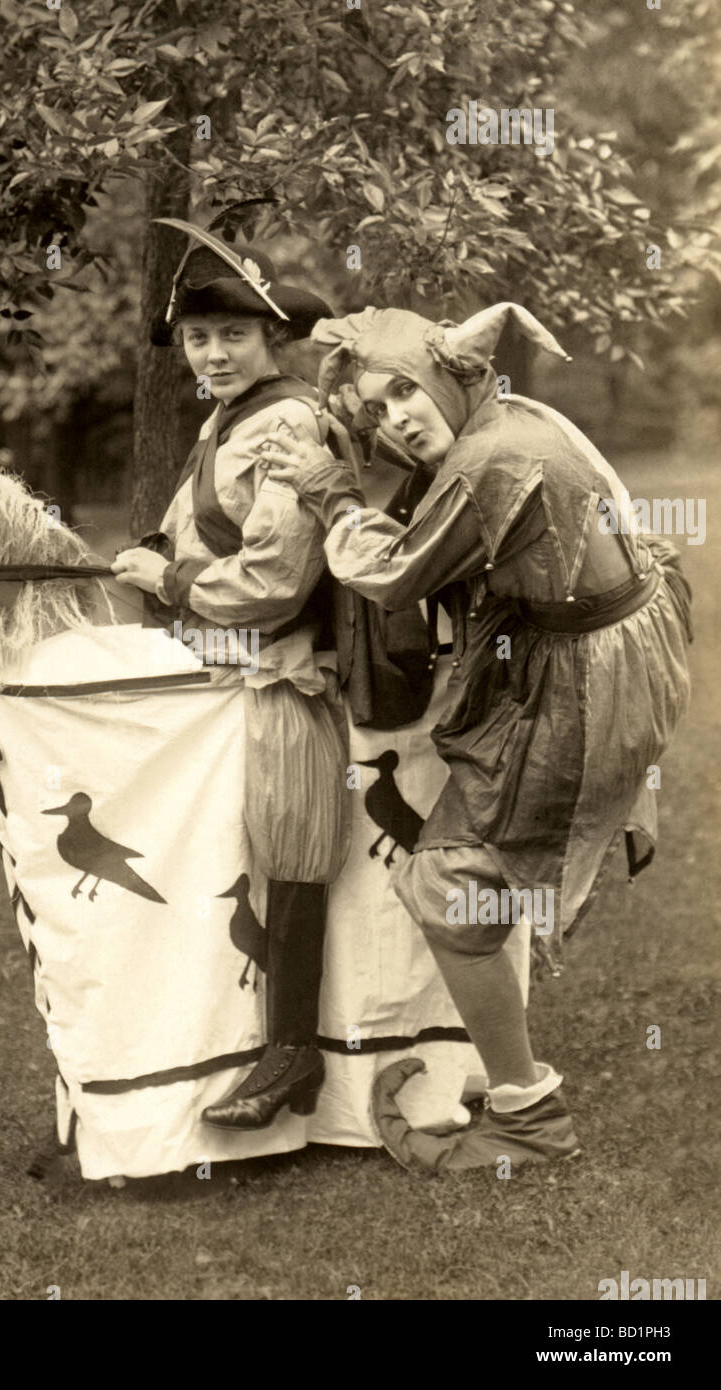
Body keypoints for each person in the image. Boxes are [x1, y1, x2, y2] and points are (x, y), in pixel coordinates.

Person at [257, 303, 692, 1170]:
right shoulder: (518, 416)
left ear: (453, 375)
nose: (397, 418)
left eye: (405, 392)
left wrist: (326, 486)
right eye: (376, 408)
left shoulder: (495, 456)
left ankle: (529, 1119)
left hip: (580, 685)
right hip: (599, 660)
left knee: (448, 892)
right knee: (458, 879)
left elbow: (390, 573)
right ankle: (556, 881)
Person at [111, 220, 352, 1130]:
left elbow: (276, 580)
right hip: (222, 671)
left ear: (269, 338)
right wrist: (154, 556)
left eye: (233, 336)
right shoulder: (226, 418)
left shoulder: (286, 418)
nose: (212, 353)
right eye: (198, 339)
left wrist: (168, 579)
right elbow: (187, 527)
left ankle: (290, 1056)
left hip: (282, 672)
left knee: (291, 849)